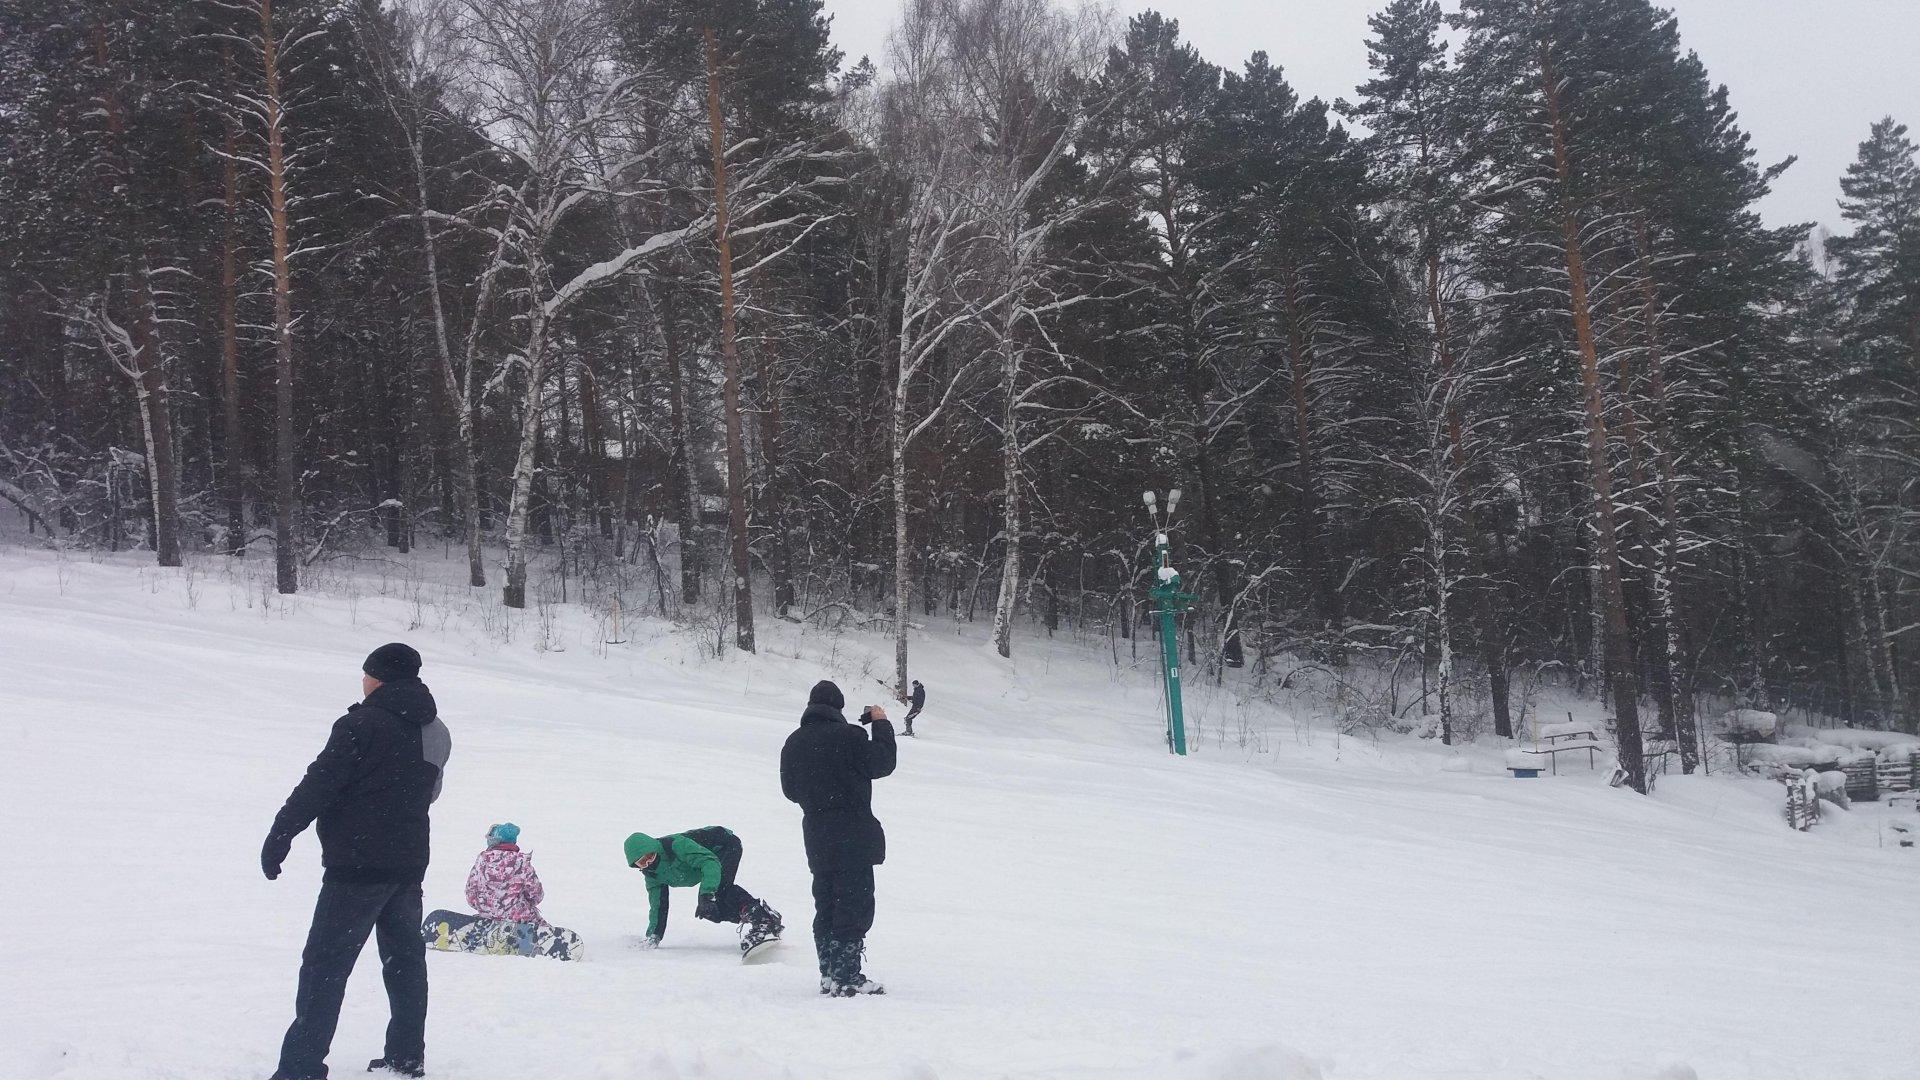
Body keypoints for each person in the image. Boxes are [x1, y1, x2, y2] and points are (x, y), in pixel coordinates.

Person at [261, 643, 452, 1080]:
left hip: (356, 869)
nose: (362, 682)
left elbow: (318, 785)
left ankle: (300, 1068)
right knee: (405, 964)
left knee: (325, 967)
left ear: (378, 677)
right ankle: (406, 1057)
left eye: (366, 674)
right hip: (407, 867)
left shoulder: (359, 724)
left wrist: (280, 833)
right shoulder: (436, 729)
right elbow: (430, 792)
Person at [780, 680, 897, 996]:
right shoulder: (850, 736)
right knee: (853, 903)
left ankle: (829, 973)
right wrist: (881, 723)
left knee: (827, 902)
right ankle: (847, 976)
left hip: (817, 836)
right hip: (853, 833)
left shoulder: (793, 742)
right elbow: (883, 762)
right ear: (840, 708)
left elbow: (790, 791)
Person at [624, 827, 782, 957]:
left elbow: (709, 862)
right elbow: (658, 904)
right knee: (714, 911)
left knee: (722, 890)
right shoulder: (652, 875)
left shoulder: (676, 846)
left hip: (725, 845)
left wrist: (706, 895)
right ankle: (766, 917)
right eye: (642, 862)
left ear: (655, 848)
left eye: (650, 856)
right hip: (711, 859)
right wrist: (654, 935)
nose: (649, 862)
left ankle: (764, 921)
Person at [466, 823, 544, 925]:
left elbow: (471, 893)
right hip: (519, 921)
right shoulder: (521, 862)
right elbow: (536, 894)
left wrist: (486, 908)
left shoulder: (482, 860)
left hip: (487, 917)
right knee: (540, 929)